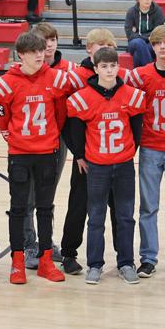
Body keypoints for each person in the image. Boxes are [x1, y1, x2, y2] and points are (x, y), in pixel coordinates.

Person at [0, 32, 69, 284]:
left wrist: (49, 138)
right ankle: (17, 262)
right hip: (19, 154)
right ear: (21, 54)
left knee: (45, 207)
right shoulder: (7, 83)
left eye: (41, 50)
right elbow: (3, 118)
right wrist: (17, 139)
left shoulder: (56, 78)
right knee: (19, 208)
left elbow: (60, 115)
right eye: (33, 51)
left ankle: (46, 260)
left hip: (47, 152)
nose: (40, 55)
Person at [66, 46, 146, 285]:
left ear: (118, 67)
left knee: (125, 216)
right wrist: (80, 155)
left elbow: (137, 129)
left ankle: (126, 263)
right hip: (97, 166)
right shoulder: (83, 98)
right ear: (96, 68)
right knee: (96, 216)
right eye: (104, 66)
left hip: (123, 164)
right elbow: (76, 131)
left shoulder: (131, 95)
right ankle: (95, 264)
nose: (109, 70)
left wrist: (129, 152)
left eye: (113, 66)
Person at [59, 28, 130, 275]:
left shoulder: (119, 78)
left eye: (108, 45)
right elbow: (68, 120)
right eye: (99, 46)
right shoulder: (75, 77)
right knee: (79, 204)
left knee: (117, 208)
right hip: (87, 155)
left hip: (115, 154)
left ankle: (124, 259)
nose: (103, 50)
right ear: (89, 50)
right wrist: (78, 152)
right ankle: (69, 252)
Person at [129, 25, 165, 278]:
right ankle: (148, 257)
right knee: (148, 207)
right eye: (157, 44)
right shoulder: (140, 75)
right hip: (151, 147)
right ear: (152, 47)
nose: (162, 47)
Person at [17, 22, 73, 269]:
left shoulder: (69, 70)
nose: (47, 45)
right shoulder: (21, 72)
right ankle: (29, 243)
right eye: (42, 41)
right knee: (27, 196)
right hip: (29, 141)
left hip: (57, 139)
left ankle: (46, 242)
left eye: (52, 39)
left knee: (46, 194)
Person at [125, 0, 165, 67]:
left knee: (138, 54)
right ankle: (151, 70)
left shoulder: (158, 11)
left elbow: (158, 32)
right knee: (139, 43)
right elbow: (129, 34)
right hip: (134, 43)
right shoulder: (131, 12)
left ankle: (138, 74)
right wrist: (146, 37)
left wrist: (138, 35)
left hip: (152, 43)